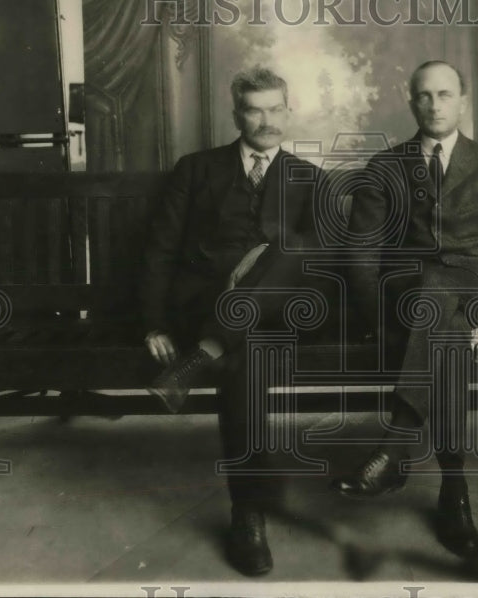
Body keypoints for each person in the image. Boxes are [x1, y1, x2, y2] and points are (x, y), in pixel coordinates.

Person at [334, 60, 478, 559]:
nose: (434, 105)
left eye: (444, 95)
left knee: (441, 300)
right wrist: (378, 321)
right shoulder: (386, 167)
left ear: (462, 101)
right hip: (412, 296)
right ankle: (454, 490)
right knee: (440, 319)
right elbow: (360, 254)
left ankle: (395, 449)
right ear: (412, 103)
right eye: (424, 96)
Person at [140, 66, 322, 577]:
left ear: (288, 111)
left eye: (275, 109)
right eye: (254, 109)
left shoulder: (310, 177)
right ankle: (249, 514)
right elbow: (160, 250)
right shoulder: (196, 169)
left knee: (294, 247)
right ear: (236, 113)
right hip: (207, 305)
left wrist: (262, 263)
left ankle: (203, 357)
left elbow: (323, 261)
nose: (266, 120)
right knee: (249, 358)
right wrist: (153, 323)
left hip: (286, 307)